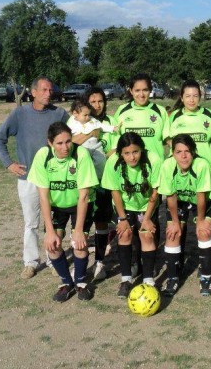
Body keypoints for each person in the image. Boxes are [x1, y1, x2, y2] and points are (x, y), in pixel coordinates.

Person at [0, 77, 69, 279]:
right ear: (33, 92)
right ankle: (31, 262)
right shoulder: (20, 114)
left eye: (50, 90)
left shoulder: (60, 114)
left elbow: (74, 137)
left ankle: (54, 259)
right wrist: (9, 163)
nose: (48, 93)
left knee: (53, 223)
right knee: (31, 223)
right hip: (29, 179)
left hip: (55, 179)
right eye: (44, 90)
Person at [27, 122, 99, 301]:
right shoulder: (43, 156)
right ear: (50, 143)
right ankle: (66, 282)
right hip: (57, 206)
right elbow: (43, 196)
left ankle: (81, 282)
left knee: (79, 243)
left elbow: (84, 196)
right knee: (52, 244)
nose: (65, 147)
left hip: (80, 204)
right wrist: (50, 231)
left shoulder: (80, 154)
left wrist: (79, 231)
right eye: (59, 143)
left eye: (68, 141)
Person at [101, 132, 162, 298]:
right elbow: (115, 192)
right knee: (125, 233)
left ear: (141, 150)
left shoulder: (153, 160)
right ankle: (126, 279)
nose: (132, 157)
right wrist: (122, 219)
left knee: (147, 235)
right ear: (121, 153)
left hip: (146, 206)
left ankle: (148, 280)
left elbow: (155, 192)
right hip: (125, 206)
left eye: (135, 152)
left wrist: (147, 218)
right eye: (127, 153)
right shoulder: (113, 162)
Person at [156, 134, 211, 297]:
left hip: (201, 202)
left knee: (204, 232)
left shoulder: (202, 165)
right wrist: (174, 222)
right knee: (172, 233)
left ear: (194, 152)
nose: (183, 156)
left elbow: (202, 196)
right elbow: (171, 196)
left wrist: (202, 221)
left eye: (187, 151)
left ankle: (206, 278)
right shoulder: (168, 166)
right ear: (172, 153)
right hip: (180, 201)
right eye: (178, 152)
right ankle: (172, 278)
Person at [84, 86, 119, 281]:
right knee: (82, 222)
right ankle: (81, 265)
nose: (97, 105)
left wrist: (100, 158)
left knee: (101, 221)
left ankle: (100, 262)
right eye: (93, 102)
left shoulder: (110, 122)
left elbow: (116, 147)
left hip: (105, 179)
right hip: (84, 181)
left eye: (100, 101)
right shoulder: (80, 121)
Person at [114, 73, 169, 159]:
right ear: (131, 91)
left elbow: (168, 138)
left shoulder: (160, 111)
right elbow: (115, 140)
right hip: (130, 166)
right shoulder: (121, 111)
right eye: (137, 90)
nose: (141, 94)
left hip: (155, 167)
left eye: (145, 90)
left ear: (150, 90)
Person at [165, 80, 211, 165]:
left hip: (205, 168)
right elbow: (166, 137)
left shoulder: (209, 115)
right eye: (188, 96)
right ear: (182, 98)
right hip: (179, 169)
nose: (191, 100)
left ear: (200, 97)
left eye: (195, 96)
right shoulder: (174, 116)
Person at [67, 99, 119, 178]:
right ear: (75, 113)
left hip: (96, 147)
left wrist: (112, 128)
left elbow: (101, 126)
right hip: (82, 148)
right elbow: (68, 136)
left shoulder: (92, 120)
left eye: (89, 114)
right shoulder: (72, 123)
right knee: (83, 165)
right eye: (85, 115)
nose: (88, 117)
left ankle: (100, 178)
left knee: (101, 161)